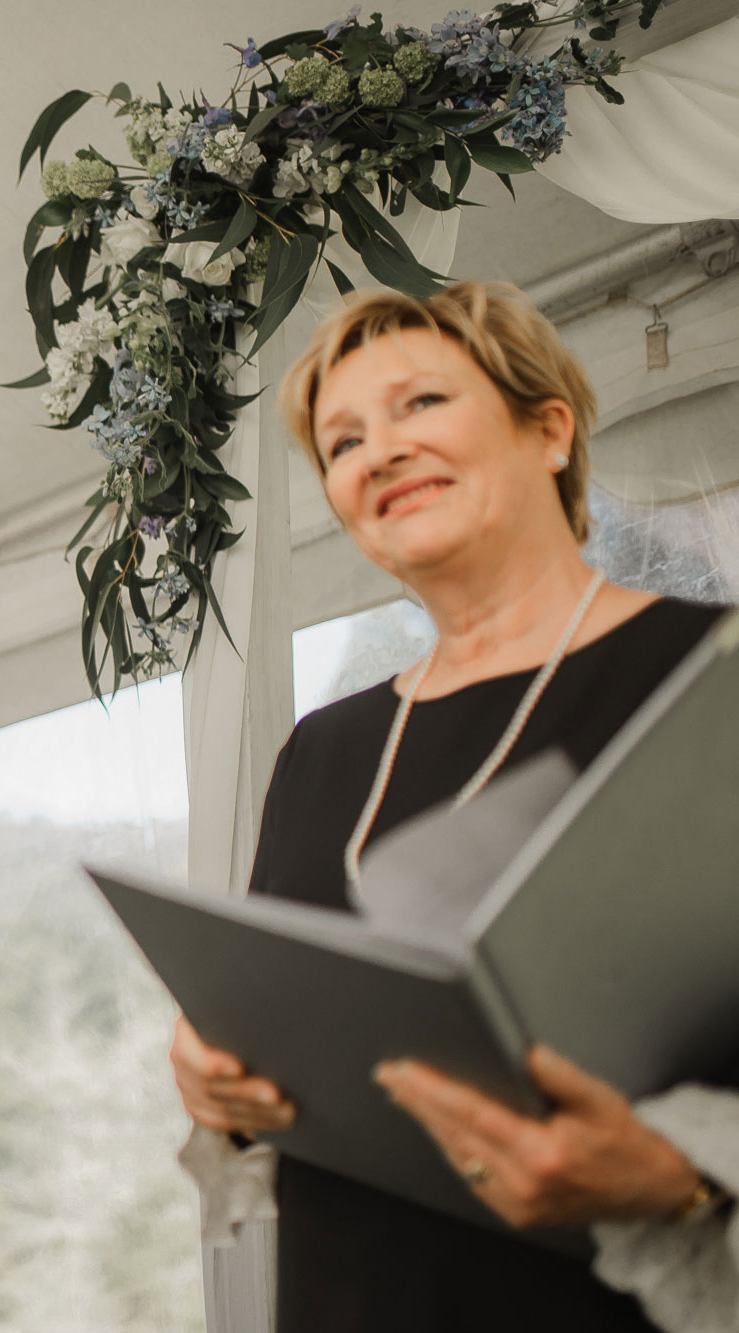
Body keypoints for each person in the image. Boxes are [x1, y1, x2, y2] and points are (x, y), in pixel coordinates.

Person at [170, 281, 739, 1332]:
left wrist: (677, 1176)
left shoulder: (711, 675)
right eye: (340, 441)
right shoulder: (317, 751)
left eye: (419, 404)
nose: (375, 451)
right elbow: (292, 1049)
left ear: (548, 429)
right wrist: (220, 1088)